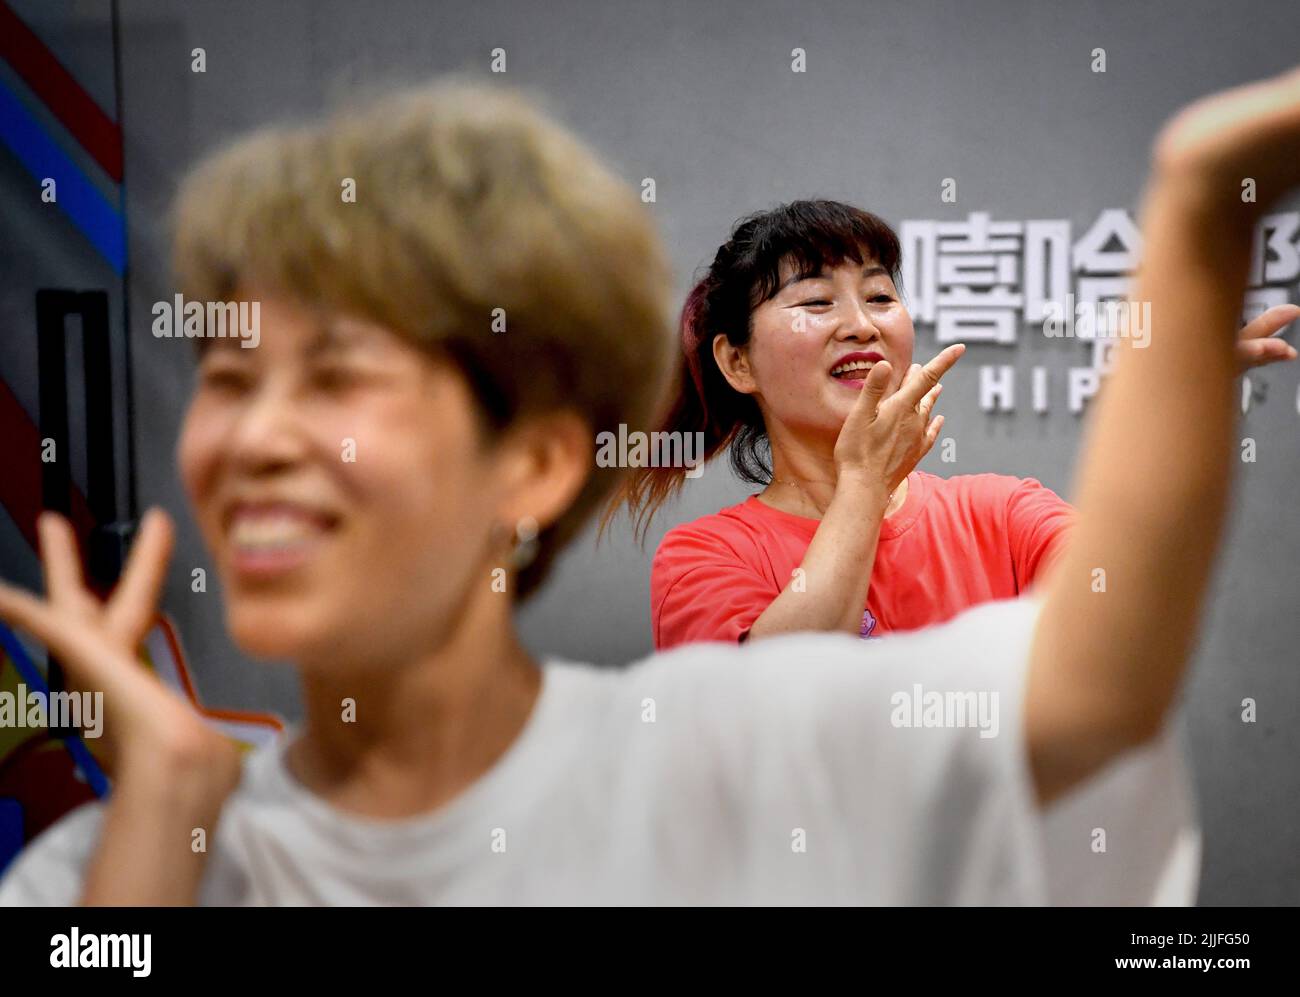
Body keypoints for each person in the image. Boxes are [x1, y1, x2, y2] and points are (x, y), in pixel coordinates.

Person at [1, 67, 1298, 905]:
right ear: (732, 356)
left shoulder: (690, 757)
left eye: (335, 376)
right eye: (229, 377)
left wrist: (1197, 221)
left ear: (539, 459)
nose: (258, 437)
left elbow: (1102, 665)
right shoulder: (109, 876)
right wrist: (162, 819)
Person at [620, 201, 1298, 649]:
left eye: (881, 295)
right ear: (738, 361)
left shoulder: (1001, 513)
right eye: (817, 300)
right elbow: (767, 708)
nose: (861, 323)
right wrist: (864, 485)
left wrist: (1178, 406)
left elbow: (1120, 615)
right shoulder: (705, 556)